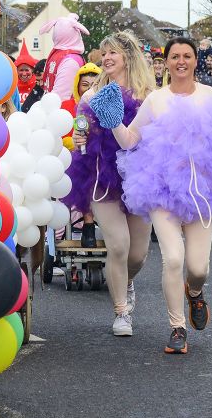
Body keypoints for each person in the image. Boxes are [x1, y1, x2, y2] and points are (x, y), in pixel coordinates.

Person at [104, 38, 212, 355]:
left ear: (196, 61)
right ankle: (177, 328)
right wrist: (114, 121)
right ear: (166, 62)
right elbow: (128, 141)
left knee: (198, 268)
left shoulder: (211, 97)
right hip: (162, 191)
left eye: (187, 56)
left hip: (201, 194)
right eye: (175, 56)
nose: (181, 61)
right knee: (173, 259)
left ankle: (195, 292)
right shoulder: (155, 100)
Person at [64, 30, 156, 336]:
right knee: (118, 245)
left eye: (113, 53)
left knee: (138, 255)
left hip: (140, 181)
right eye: (104, 54)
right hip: (103, 180)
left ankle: (126, 282)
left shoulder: (148, 96)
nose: (107, 59)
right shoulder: (93, 95)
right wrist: (80, 135)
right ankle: (121, 312)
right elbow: (81, 130)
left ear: (128, 56)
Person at [38, 14, 88, 101]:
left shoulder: (62, 57)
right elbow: (60, 97)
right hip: (62, 111)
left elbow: (58, 96)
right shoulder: (70, 59)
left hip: (56, 110)